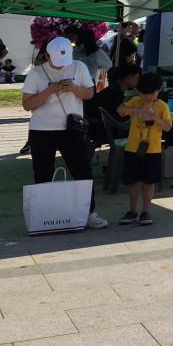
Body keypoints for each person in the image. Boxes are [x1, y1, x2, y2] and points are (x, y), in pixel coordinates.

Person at [20, 37, 108, 228]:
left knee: (82, 169)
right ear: (47, 55)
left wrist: (74, 89)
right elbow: (27, 105)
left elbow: (90, 94)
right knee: (42, 171)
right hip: (42, 129)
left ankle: (90, 212)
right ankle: (42, 215)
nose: (61, 65)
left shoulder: (78, 67)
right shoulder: (36, 73)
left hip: (71, 128)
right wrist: (50, 91)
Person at [116, 72, 172, 225]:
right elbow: (120, 110)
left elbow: (167, 127)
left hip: (152, 149)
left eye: (151, 93)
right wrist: (137, 111)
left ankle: (146, 211)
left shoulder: (162, 106)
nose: (147, 97)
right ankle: (132, 210)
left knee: (149, 181)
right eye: (144, 93)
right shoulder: (135, 101)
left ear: (158, 90)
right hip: (133, 148)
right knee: (134, 181)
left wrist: (155, 118)